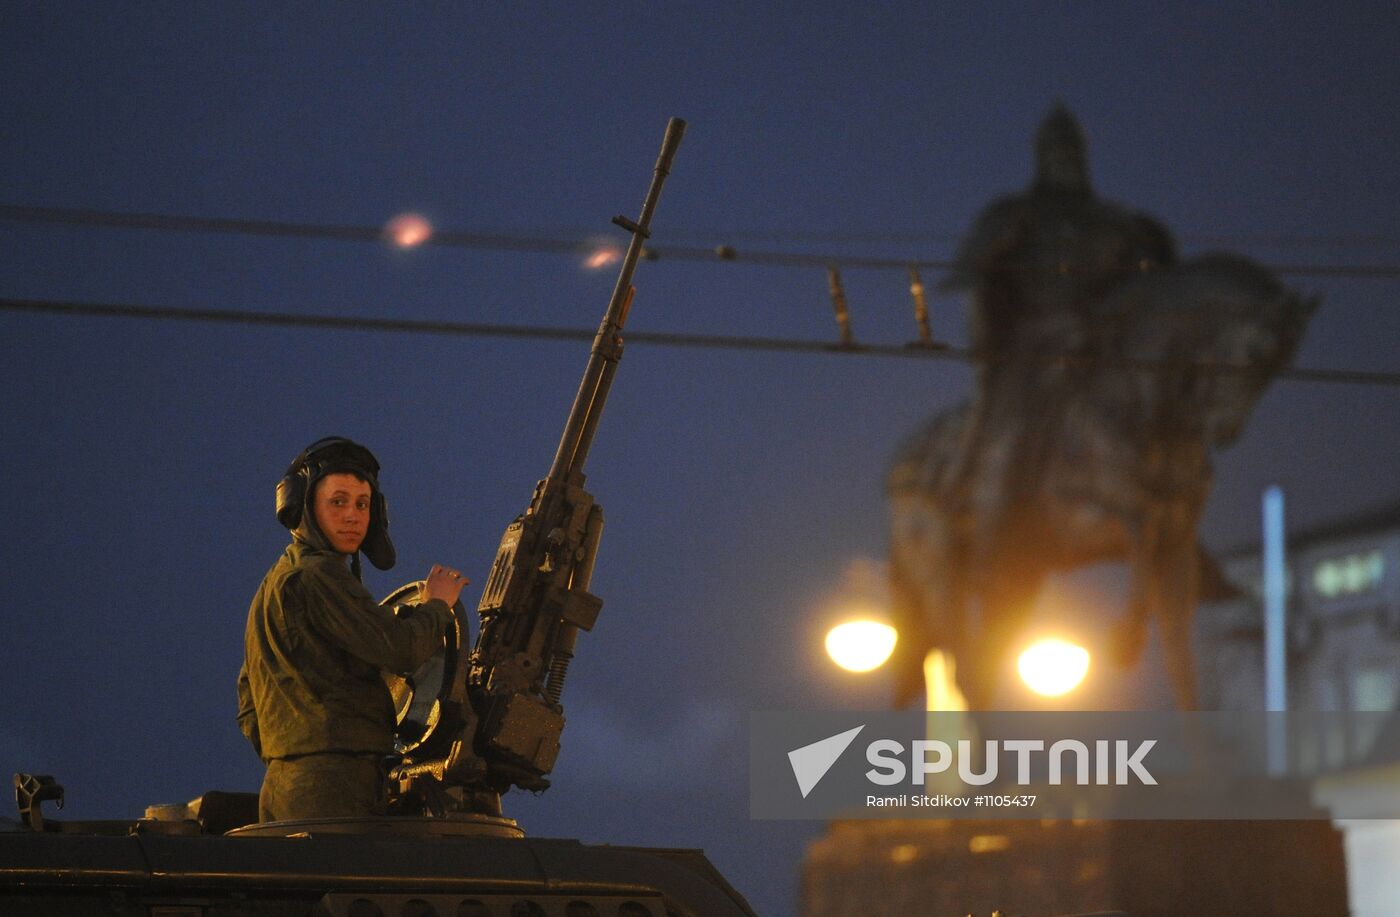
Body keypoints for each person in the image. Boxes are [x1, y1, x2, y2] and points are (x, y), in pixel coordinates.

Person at [236, 436, 468, 822]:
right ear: (305, 507)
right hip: (333, 792)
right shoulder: (318, 577)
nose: (353, 516)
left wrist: (293, 755)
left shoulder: (276, 583)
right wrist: (437, 605)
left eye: (362, 504)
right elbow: (401, 650)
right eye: (338, 501)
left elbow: (248, 700)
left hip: (285, 788)